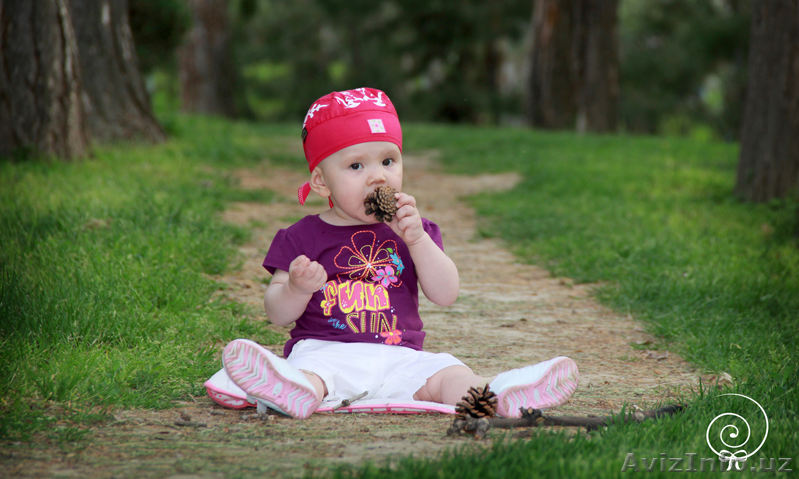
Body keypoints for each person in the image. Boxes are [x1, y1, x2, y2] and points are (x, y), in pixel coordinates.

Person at [221, 87, 578, 419]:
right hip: (328, 353)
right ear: (320, 182)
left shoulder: (414, 231)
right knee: (314, 376)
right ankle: (290, 391)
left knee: (448, 373)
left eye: (388, 161)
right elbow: (277, 314)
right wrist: (296, 289)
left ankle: (495, 397)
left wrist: (418, 240)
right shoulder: (300, 238)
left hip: (402, 357)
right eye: (356, 166)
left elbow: (445, 294)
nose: (378, 178)